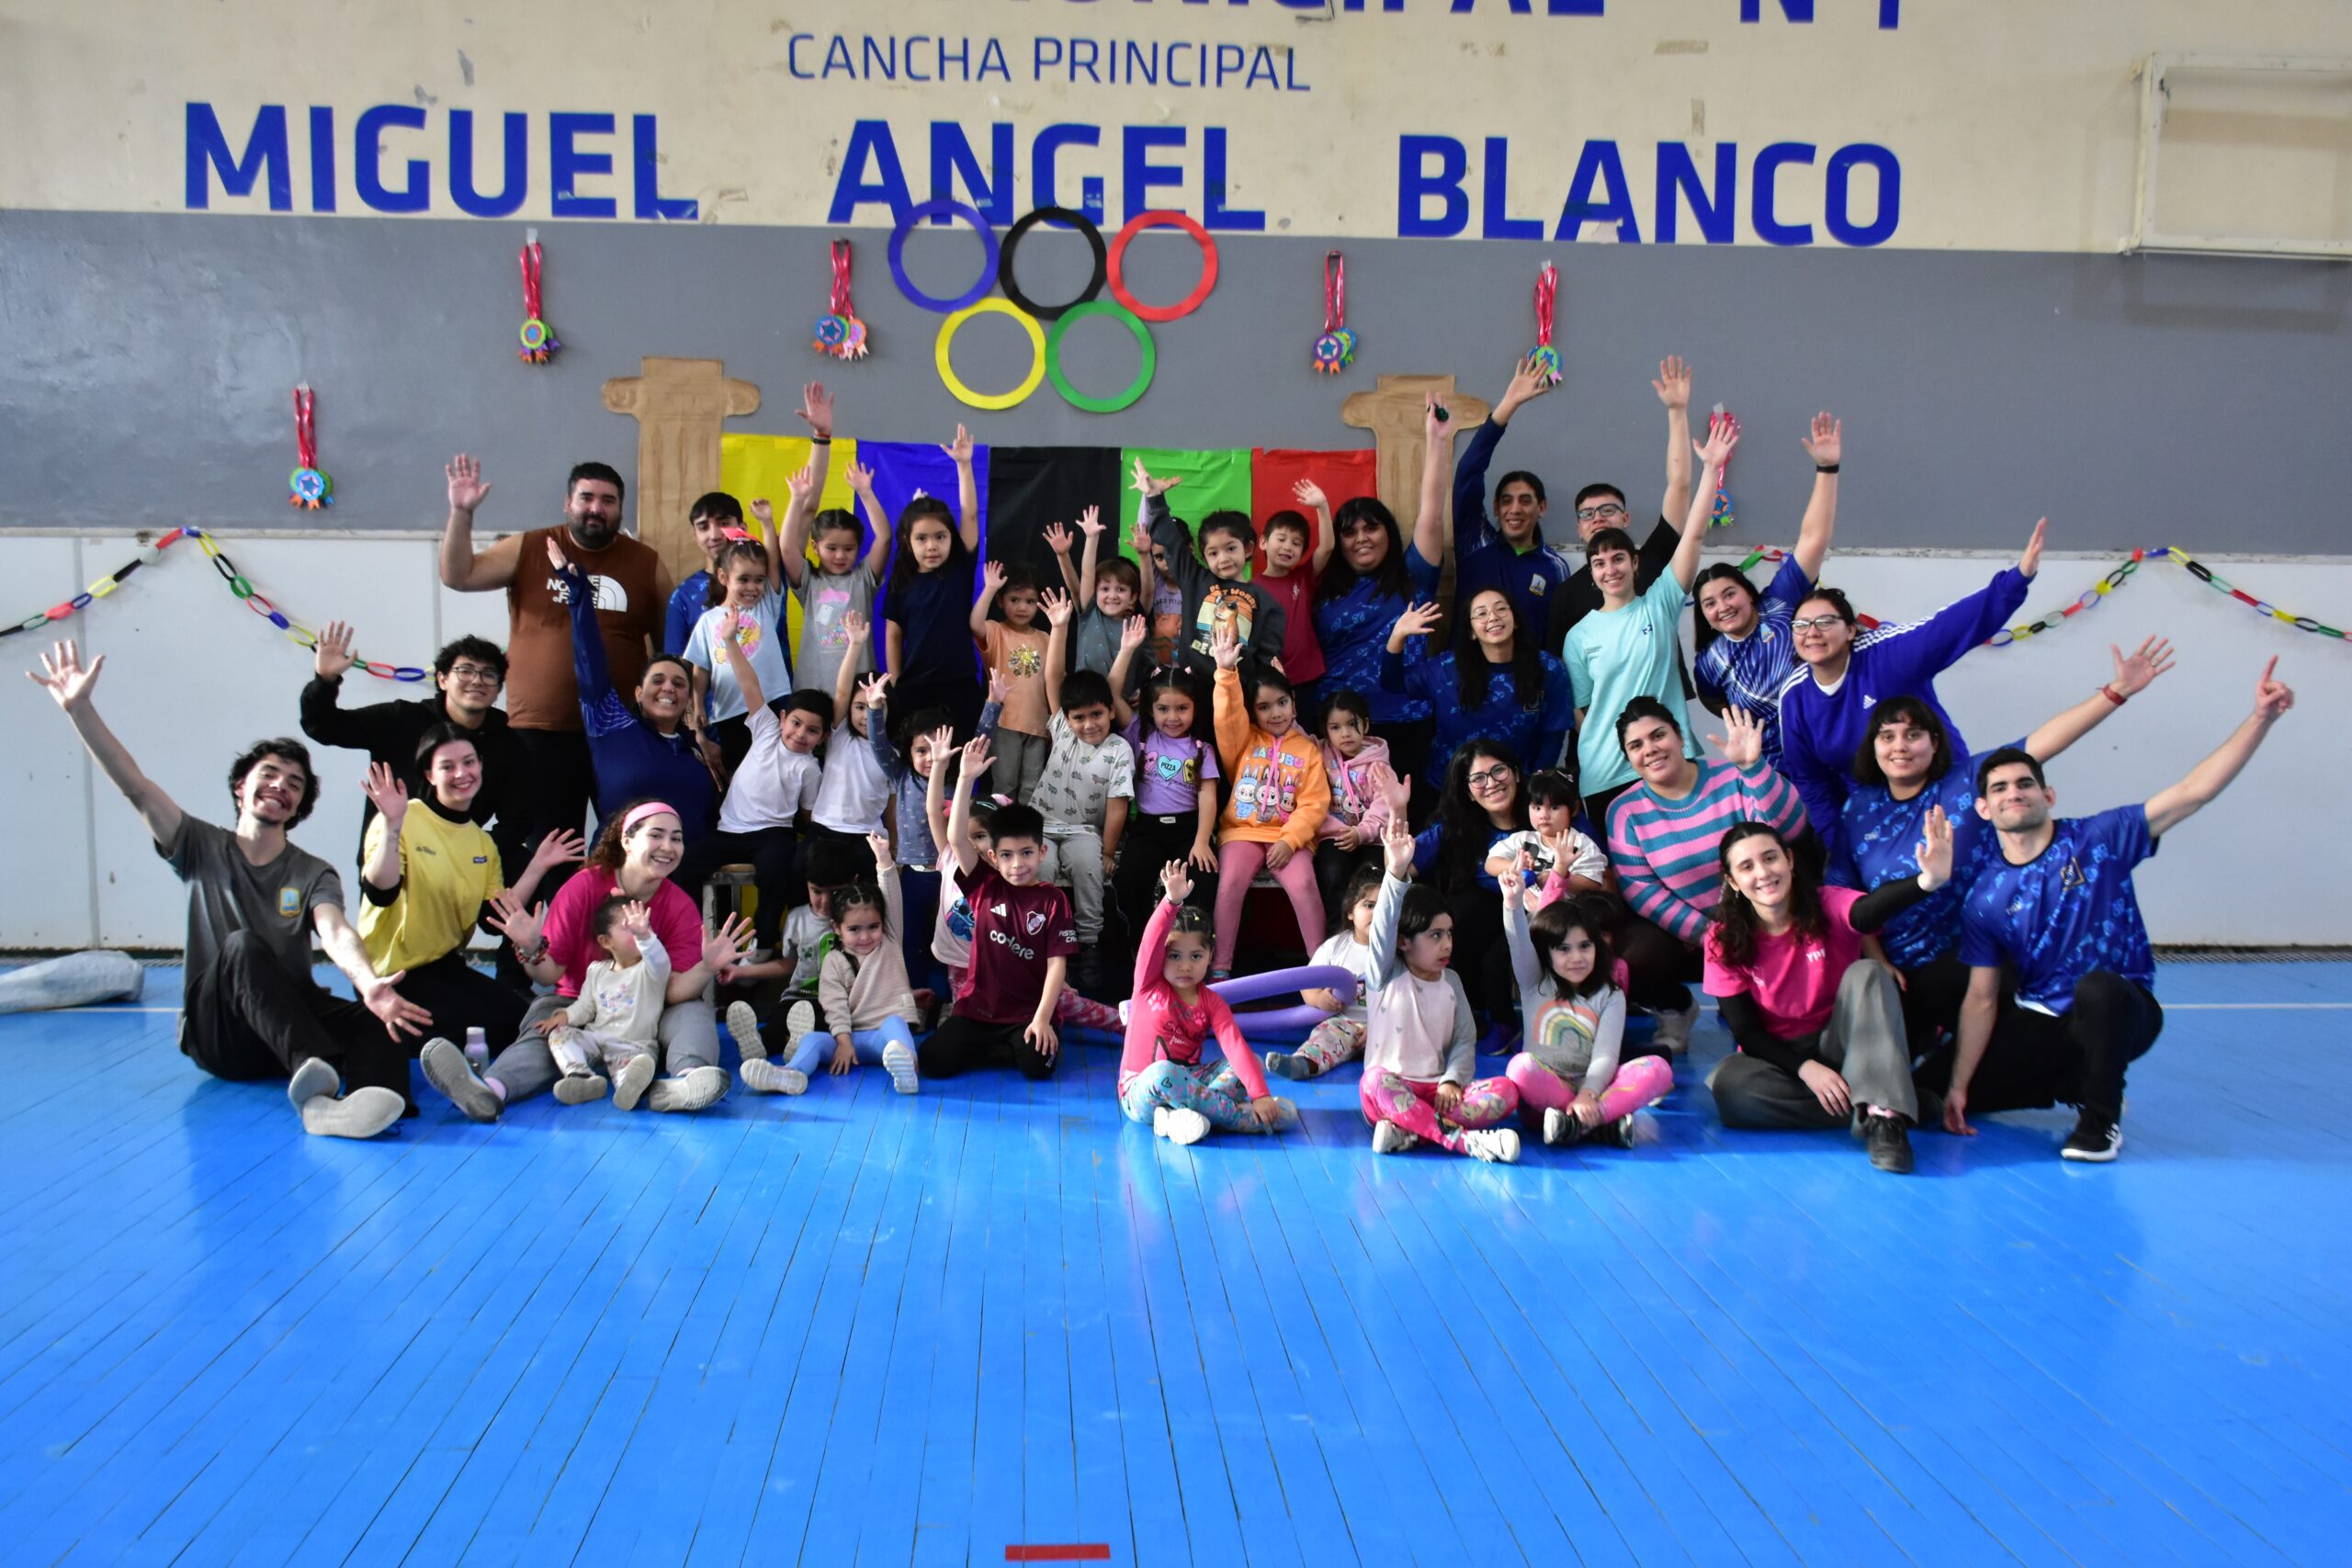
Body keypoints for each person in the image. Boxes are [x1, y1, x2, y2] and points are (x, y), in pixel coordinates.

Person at [31, 640, 427, 1138]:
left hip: (290, 1015)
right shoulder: (197, 844)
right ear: (241, 787)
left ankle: (376, 1100)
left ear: (300, 806)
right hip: (221, 1032)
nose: (281, 786)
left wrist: (369, 983)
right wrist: (80, 709)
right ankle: (319, 1101)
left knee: (378, 1014)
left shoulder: (312, 871)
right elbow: (135, 786)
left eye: (295, 784)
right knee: (241, 945)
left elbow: (335, 931)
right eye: (270, 775)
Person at [1925, 660, 2295, 1163]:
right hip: (2045, 1021)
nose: (2014, 793)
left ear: (2047, 795)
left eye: (2024, 784)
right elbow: (1982, 998)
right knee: (1928, 1096)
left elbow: (2194, 792)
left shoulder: (2100, 838)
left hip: (2120, 1011)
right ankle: (2076, 1081)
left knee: (2098, 989)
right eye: (2000, 788)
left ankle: (2100, 1122)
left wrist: (2261, 718)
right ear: (1985, 809)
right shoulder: (1985, 895)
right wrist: (1959, 1086)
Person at [1831, 638, 2176, 1047]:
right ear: (1873, 747)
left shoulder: (1966, 781)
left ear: (1935, 743)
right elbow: (1847, 898)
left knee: (1963, 1002)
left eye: (1913, 734)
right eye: (1887, 736)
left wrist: (2117, 691)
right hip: (1897, 967)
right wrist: (1877, 959)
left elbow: (2044, 742)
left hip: (1973, 958)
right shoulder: (1858, 809)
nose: (1900, 746)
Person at [420, 802, 750, 1120]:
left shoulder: (679, 906)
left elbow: (673, 991)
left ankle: (687, 1082)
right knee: (544, 1027)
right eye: (656, 835)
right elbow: (548, 974)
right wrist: (531, 946)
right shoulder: (583, 886)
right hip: (579, 1004)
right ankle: (489, 1089)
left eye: (676, 838)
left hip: (648, 1010)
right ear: (626, 840)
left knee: (693, 1013)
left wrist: (706, 967)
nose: (668, 846)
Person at [437, 453, 668, 874]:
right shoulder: (530, 547)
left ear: (620, 508)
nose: (596, 508)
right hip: (540, 733)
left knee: (631, 849)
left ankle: (625, 920)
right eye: (586, 498)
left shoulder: (646, 563)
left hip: (619, 734)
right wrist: (461, 513)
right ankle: (553, 921)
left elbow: (671, 652)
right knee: (553, 853)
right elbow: (458, 576)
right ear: (568, 503)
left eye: (608, 500)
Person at [1773, 517, 2044, 865]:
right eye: (1801, 625)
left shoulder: (1887, 655)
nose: (1812, 632)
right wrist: (1837, 844)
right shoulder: (1794, 697)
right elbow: (1811, 781)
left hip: (1946, 796)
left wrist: (2016, 580)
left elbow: (1948, 628)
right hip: (1877, 819)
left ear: (1851, 630)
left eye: (1825, 622)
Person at [1703, 814, 1955, 1173]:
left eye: (1770, 858)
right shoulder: (1722, 938)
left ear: (1789, 860)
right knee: (1728, 1087)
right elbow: (1747, 1032)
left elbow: (1869, 910)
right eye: (1747, 866)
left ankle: (1886, 1119)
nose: (1763, 873)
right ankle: (1891, 1101)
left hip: (1847, 1045)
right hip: (1784, 1060)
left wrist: (1927, 882)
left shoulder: (1828, 903)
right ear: (1732, 880)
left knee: (1869, 974)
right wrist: (1806, 1069)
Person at [355, 734, 580, 1053]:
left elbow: (493, 919)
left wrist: (539, 864)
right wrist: (392, 823)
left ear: (480, 766)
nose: (461, 773)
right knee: (471, 1032)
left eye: (469, 762)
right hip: (391, 973)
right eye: (448, 766)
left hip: (444, 966)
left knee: (517, 1021)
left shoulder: (481, 842)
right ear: (430, 775)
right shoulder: (403, 816)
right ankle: (380, 1028)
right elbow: (381, 892)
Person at [1566, 412, 1737, 829]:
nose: (1610, 569)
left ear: (1635, 563)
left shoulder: (1659, 603)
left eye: (1618, 559)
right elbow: (1581, 713)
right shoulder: (1579, 636)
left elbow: (1693, 535)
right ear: (1592, 572)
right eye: (1600, 563)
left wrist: (1712, 470)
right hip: (1607, 774)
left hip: (1671, 759)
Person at [1605, 704, 1809, 1052]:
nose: (1650, 749)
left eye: (1658, 735)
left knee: (1761, 1031)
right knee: (1630, 954)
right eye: (1636, 745)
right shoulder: (1624, 811)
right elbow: (1641, 891)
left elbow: (1788, 830)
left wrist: (1754, 768)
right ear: (1629, 758)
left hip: (1762, 917)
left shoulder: (1734, 775)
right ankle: (1676, 1008)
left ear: (1680, 736)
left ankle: (1755, 1002)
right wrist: (1710, 934)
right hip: (1693, 935)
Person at [1359, 817, 1521, 1163]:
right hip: (1389, 1094)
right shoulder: (1384, 975)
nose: (1447, 944)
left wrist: (1452, 1081)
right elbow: (1384, 925)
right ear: (1403, 941)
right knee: (1373, 1081)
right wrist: (1396, 872)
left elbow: (1464, 1040)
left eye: (1449, 934)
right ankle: (1465, 1142)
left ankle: (1410, 1132)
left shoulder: (1452, 982)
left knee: (1506, 1090)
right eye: (1435, 935)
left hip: (1437, 1093)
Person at [1309, 395, 1451, 789]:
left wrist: (1437, 440)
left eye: (1371, 528)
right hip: (1335, 724)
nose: (1361, 538)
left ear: (1389, 532)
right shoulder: (1323, 583)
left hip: (1404, 718)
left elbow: (1432, 514)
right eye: (1350, 532)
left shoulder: (1415, 575)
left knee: (1401, 818)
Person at [919, 737, 1080, 1081]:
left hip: (1026, 1014)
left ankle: (1013, 1046)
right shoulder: (984, 884)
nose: (1017, 863)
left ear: (1042, 853)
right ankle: (998, 1049)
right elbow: (956, 838)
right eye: (1007, 855)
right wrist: (965, 778)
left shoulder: (1053, 900)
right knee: (931, 1061)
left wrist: (1042, 1019)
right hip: (978, 1012)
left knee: (1038, 1068)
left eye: (1026, 853)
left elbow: (1057, 966)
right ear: (993, 856)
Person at [671, 618, 831, 959]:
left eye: (812, 731)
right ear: (782, 718)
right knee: (685, 864)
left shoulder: (809, 768)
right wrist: (730, 640)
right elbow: (750, 684)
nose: (801, 734)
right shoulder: (766, 730)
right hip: (728, 831)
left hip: (772, 834)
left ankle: (763, 944)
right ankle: (688, 938)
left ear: (822, 737)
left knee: (776, 870)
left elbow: (808, 815)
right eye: (796, 723)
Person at [1690, 412, 1845, 764]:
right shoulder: (1710, 662)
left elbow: (1813, 539)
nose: (1722, 607)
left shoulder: (1781, 602)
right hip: (1775, 773)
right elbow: (1715, 702)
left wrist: (1827, 469)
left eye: (1729, 594)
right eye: (1709, 603)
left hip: (1832, 754)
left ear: (1748, 592)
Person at [299, 623, 517, 869]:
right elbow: (323, 726)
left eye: (489, 674)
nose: (477, 680)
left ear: (498, 689)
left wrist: (478, 854)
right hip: (391, 861)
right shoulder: (401, 718)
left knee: (520, 861)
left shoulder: (509, 743)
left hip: (462, 868)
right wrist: (325, 681)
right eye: (465, 671)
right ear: (442, 679)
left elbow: (516, 821)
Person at [548, 537, 717, 840]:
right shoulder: (612, 724)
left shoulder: (696, 749)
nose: (668, 688)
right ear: (639, 694)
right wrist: (579, 594)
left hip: (685, 864)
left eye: (679, 683)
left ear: (687, 699)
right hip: (619, 864)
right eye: (658, 680)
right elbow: (589, 661)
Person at [1120, 861, 1297, 1145]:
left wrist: (1261, 1094)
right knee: (1163, 1072)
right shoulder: (1148, 985)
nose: (1185, 966)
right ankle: (1241, 1120)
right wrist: (1170, 902)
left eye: (1196, 957)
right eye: (1175, 956)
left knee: (1250, 1063)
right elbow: (1150, 944)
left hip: (1193, 1084)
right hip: (1142, 1093)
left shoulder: (1213, 1003)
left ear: (1210, 956)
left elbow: (1235, 1047)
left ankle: (1182, 1118)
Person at [1498, 865, 1673, 1148]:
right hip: (1544, 1097)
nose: (1577, 957)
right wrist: (1512, 903)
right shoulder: (1535, 983)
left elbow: (1606, 1055)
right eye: (1563, 949)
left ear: (1597, 947)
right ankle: (1600, 1123)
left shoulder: (1610, 995)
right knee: (1520, 1068)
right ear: (1546, 954)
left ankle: (1577, 1124)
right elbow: (1517, 942)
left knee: (1658, 1069)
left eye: (1584, 946)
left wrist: (1588, 1093)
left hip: (1593, 1089)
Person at [739, 833, 922, 1098]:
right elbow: (834, 1005)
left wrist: (884, 859)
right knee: (812, 1039)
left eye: (873, 927)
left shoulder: (889, 939)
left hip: (884, 1037)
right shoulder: (834, 960)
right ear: (836, 928)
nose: (865, 936)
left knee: (896, 1023)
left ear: (883, 924)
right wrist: (843, 1041)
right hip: (854, 1037)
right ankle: (790, 1073)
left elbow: (891, 897)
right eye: (854, 929)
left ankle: (908, 1069)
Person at [1537, 355, 1698, 657]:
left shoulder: (1652, 560)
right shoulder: (1566, 595)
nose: (1597, 518)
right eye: (1587, 514)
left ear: (1626, 518)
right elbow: (1558, 665)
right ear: (1578, 528)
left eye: (1608, 510)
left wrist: (1677, 412)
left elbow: (1679, 487)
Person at [1208, 624, 1331, 981]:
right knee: (1229, 884)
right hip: (1242, 832)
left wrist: (1290, 841)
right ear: (1253, 711)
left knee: (1305, 885)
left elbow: (1314, 804)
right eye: (1264, 707)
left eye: (1282, 703)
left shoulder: (1308, 749)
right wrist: (1225, 673)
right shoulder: (1243, 740)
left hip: (1289, 838)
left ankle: (1320, 966)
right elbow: (1227, 716)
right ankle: (1220, 968)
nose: (1275, 713)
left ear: (1294, 702)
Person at [1035, 590, 1136, 976]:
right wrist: (1059, 627)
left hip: (1084, 832)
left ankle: (1089, 943)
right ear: (1067, 718)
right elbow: (1053, 676)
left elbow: (1118, 806)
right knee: (1039, 870)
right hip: (1042, 825)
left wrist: (1108, 851)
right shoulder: (1062, 730)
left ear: (1111, 711)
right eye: (1079, 717)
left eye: (1096, 714)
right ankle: (1042, 944)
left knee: (1088, 870)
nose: (1088, 724)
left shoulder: (1118, 750)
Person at [1381, 585, 1574, 783]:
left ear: (1515, 621)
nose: (1493, 617)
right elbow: (1393, 683)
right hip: (1451, 787)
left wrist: (1537, 783)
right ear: (1471, 632)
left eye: (1501, 609)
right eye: (1481, 613)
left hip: (1515, 787)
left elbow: (1553, 733)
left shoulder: (1548, 668)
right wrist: (1398, 636)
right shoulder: (1446, 668)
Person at [1410, 740, 1532, 1033]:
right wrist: (1395, 810)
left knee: (1495, 958)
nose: (1491, 783)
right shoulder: (1457, 827)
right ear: (1468, 792)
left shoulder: (1546, 811)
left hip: (1541, 910)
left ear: (1516, 773)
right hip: (1489, 920)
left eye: (1498, 771)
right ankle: (1471, 1012)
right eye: (1478, 778)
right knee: (1462, 912)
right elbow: (1402, 866)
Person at [1137, 457, 1287, 692]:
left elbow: (1267, 659)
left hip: (1236, 693)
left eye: (1231, 548)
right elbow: (1171, 541)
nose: (1223, 558)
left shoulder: (1266, 602)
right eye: (1213, 553)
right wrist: (1155, 497)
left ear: (1248, 549)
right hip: (1191, 689)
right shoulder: (1195, 579)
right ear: (1204, 557)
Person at [1452, 353, 1576, 632]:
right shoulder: (1475, 541)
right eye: (1506, 501)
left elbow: (1558, 636)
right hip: (1466, 661)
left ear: (1541, 508)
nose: (1515, 509)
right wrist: (1508, 405)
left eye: (1525, 501)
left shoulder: (1555, 567)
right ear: (1496, 508)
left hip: (1528, 662)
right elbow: (1468, 470)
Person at [779, 397, 890, 699]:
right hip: (813, 689)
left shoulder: (863, 579)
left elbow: (884, 538)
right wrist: (796, 500)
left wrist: (866, 493)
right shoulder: (809, 582)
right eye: (832, 548)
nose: (840, 555)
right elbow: (787, 548)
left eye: (849, 549)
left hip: (858, 690)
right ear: (815, 547)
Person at [882, 424, 985, 739]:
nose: (932, 546)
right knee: (920, 756)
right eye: (922, 538)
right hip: (915, 686)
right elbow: (893, 635)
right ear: (907, 540)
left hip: (959, 683)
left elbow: (970, 514)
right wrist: (896, 682)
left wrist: (964, 465)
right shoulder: (901, 582)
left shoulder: (959, 568)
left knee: (963, 753)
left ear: (951, 538)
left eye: (940, 537)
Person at [1114, 655, 1220, 942]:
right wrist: (1128, 649)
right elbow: (1112, 694)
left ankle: (1192, 947)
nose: (1172, 717)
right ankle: (1143, 942)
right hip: (1147, 829)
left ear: (1195, 707)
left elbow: (1208, 796)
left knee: (1204, 876)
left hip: (1189, 830)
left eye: (1182, 708)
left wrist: (1202, 841)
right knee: (1129, 878)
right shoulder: (1140, 733)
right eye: (1163, 709)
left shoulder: (1201, 749)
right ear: (1150, 708)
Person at [531, 896, 668, 1110]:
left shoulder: (650, 970)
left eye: (645, 924)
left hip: (633, 1045)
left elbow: (659, 959)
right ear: (606, 941)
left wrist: (644, 936)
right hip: (597, 1038)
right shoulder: (597, 970)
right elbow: (586, 1006)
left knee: (635, 1068)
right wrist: (565, 1016)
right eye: (629, 927)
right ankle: (582, 1076)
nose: (640, 929)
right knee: (560, 1034)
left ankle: (628, 1088)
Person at [1262, 862, 1383, 1082]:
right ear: (1350, 912)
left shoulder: (1399, 950)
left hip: (1388, 1025)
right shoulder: (1336, 947)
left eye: (1385, 907)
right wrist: (1318, 998)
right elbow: (1308, 983)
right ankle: (1302, 1063)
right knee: (1324, 1037)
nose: (1378, 914)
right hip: (1344, 1023)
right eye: (1369, 905)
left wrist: (1381, 1027)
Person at [682, 534, 790, 776]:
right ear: (723, 577)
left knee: (774, 773)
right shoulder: (708, 621)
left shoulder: (766, 606)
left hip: (771, 704)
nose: (752, 587)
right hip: (730, 713)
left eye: (759, 580)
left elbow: (774, 562)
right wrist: (698, 706)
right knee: (738, 775)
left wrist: (766, 522)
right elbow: (701, 668)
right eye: (743, 579)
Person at [1046, 505, 1149, 712]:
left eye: (1121, 589)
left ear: (1133, 597)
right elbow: (1086, 575)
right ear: (1095, 592)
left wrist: (1144, 555)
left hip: (1120, 708)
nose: (1112, 595)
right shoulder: (1090, 614)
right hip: (1084, 704)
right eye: (1105, 589)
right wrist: (1091, 538)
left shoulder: (1136, 626)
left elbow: (1148, 593)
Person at [969, 560, 1054, 802]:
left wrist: (1052, 721)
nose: (1022, 607)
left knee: (1032, 787)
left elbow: (1054, 680)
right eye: (1014, 599)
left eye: (1030, 601)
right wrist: (990, 588)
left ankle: (1027, 825)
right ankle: (1002, 826)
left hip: (1038, 724)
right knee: (1005, 784)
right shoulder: (996, 631)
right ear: (1001, 601)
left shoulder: (1046, 638)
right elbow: (975, 624)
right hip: (1005, 722)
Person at [1310, 689, 1394, 922]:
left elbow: (1384, 808)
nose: (1345, 733)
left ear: (1365, 725)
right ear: (1326, 730)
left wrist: (1361, 833)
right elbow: (1292, 732)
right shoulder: (1319, 752)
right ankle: (1338, 930)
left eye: (1351, 724)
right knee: (1333, 873)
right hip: (1334, 836)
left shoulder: (1378, 764)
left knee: (1374, 880)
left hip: (1372, 838)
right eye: (1335, 727)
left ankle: (1374, 932)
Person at [1253, 482, 1335, 688]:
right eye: (1281, 539)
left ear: (1302, 553)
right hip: (1270, 678)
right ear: (1263, 542)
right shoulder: (1250, 588)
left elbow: (1327, 547)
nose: (1287, 547)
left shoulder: (1303, 578)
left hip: (1308, 676)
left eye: (1296, 543)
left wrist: (1322, 506)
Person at [663, 491, 747, 657]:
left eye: (723, 523)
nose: (714, 536)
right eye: (703, 527)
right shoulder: (682, 596)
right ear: (696, 536)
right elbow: (676, 662)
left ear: (742, 529)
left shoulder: (767, 578)